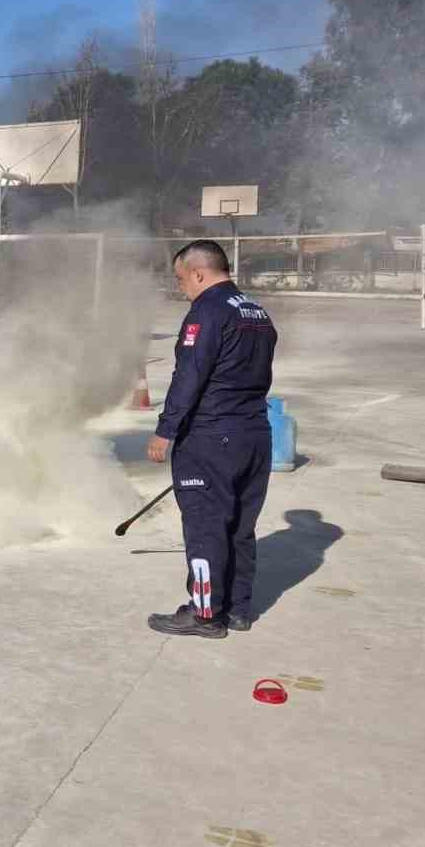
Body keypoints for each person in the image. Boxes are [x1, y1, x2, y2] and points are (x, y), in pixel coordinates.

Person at [146, 240, 278, 638]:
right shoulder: (256, 311)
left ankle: (205, 614)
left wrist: (166, 430)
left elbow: (190, 375)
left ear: (199, 273)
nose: (181, 287)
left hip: (210, 436)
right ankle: (237, 610)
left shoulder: (206, 311)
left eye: (181, 279)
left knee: (206, 526)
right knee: (240, 525)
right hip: (254, 434)